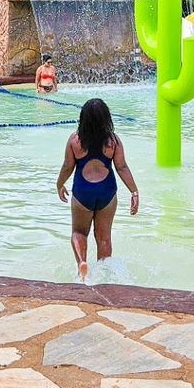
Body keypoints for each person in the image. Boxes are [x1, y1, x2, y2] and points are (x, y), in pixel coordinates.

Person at [56, 98, 139, 281]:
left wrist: (59, 184)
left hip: (83, 191)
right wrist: (134, 191)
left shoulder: (75, 140)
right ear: (106, 119)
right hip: (107, 192)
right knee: (104, 238)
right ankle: (104, 277)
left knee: (79, 233)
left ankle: (82, 265)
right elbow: (122, 167)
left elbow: (67, 167)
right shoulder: (113, 141)